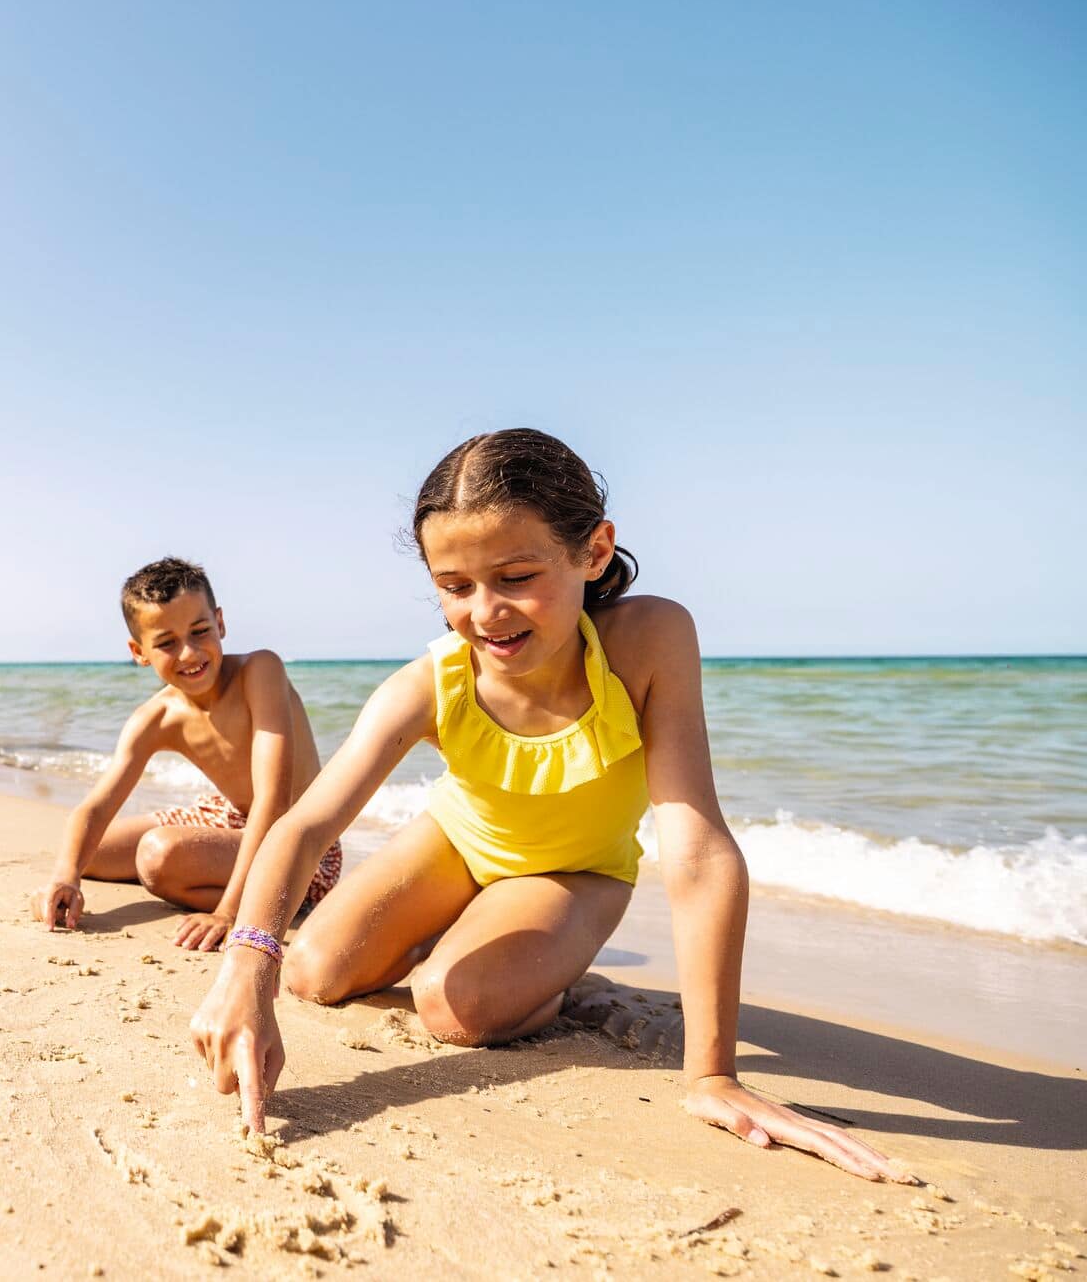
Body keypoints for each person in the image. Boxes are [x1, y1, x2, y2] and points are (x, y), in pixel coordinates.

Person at [189, 429, 916, 1183]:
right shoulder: (427, 684)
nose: (486, 612)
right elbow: (307, 822)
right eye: (455, 586)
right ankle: (474, 932)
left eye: (515, 575)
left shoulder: (649, 641)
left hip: (578, 872)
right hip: (458, 844)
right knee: (313, 971)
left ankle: (543, 965)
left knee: (453, 1006)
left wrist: (714, 1077)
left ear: (594, 552)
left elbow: (697, 848)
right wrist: (247, 970)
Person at [31, 558, 343, 952]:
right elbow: (95, 807)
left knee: (156, 856)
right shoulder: (156, 717)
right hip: (227, 817)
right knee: (92, 852)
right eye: (166, 642)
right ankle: (203, 869)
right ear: (138, 651)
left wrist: (231, 912)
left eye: (200, 631)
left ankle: (270, 891)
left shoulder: (259, 671)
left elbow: (275, 800)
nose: (189, 653)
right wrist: (65, 878)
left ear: (220, 623)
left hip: (299, 842)